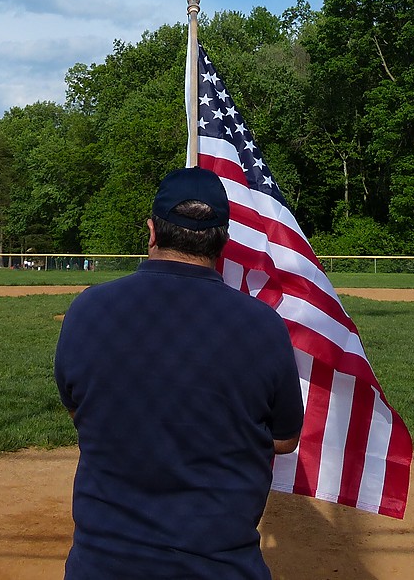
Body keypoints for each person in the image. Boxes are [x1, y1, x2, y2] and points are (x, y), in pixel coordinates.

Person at [54, 167, 304, 578]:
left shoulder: (87, 311)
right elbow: (284, 439)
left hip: (102, 567)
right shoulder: (263, 326)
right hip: (221, 567)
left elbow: (80, 414)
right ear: (223, 242)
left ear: (152, 231)